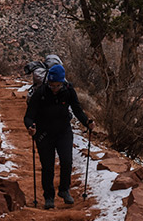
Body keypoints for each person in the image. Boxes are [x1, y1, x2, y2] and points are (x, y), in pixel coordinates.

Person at [23, 64, 94, 209]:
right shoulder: (41, 93)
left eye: (57, 86)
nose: (54, 89)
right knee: (47, 166)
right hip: (44, 134)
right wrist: (31, 127)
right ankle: (49, 197)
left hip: (63, 132)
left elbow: (77, 110)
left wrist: (87, 122)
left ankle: (64, 190)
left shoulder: (68, 91)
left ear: (62, 83)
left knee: (66, 161)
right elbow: (29, 116)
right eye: (51, 85)